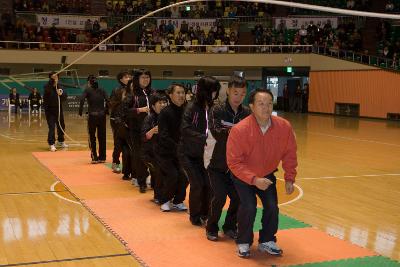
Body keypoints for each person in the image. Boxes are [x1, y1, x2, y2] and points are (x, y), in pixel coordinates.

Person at [226, 88, 297, 258]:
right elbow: (234, 162)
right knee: (249, 207)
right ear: (251, 106)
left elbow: (290, 153)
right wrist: (253, 179)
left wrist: (289, 178)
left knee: (272, 207)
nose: (266, 108)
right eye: (261, 104)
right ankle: (243, 242)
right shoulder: (240, 130)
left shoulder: (283, 127)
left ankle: (266, 240)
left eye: (269, 104)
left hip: (267, 174)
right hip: (243, 176)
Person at [205, 75, 251, 241]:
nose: (238, 97)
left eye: (242, 94)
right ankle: (211, 227)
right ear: (228, 92)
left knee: (238, 198)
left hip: (237, 166)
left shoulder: (247, 112)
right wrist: (237, 131)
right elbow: (216, 131)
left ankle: (230, 226)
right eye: (235, 93)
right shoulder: (216, 109)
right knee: (219, 197)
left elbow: (251, 135)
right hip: (217, 163)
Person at [179, 76, 220, 226]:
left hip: (206, 155)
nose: (215, 94)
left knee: (209, 185)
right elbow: (185, 129)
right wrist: (205, 138)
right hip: (188, 154)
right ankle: (194, 215)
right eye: (213, 91)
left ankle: (205, 213)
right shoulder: (191, 108)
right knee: (197, 184)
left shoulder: (214, 108)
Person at [157, 84, 188, 212]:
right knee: (173, 175)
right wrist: (177, 147)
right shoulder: (165, 112)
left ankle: (178, 200)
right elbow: (163, 135)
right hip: (165, 152)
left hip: (181, 152)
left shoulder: (187, 111)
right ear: (170, 95)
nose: (181, 95)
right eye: (178, 93)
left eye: (183, 93)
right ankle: (165, 200)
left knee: (185, 176)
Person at [122, 69, 153, 193]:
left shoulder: (153, 93)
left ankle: (155, 181)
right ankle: (141, 182)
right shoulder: (132, 95)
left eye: (147, 77)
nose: (145, 80)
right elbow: (124, 111)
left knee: (154, 155)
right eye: (143, 77)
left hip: (152, 130)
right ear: (137, 79)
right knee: (139, 156)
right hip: (136, 131)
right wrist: (139, 110)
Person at [141, 92, 168, 204]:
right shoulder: (149, 119)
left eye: (164, 102)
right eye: (159, 103)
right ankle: (158, 195)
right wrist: (151, 131)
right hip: (149, 154)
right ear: (153, 106)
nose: (162, 105)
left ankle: (167, 194)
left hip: (164, 152)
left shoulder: (169, 117)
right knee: (159, 171)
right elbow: (143, 137)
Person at [79, 75, 109, 164]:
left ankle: (94, 157)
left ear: (89, 82)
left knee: (92, 137)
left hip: (92, 116)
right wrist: (106, 111)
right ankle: (102, 157)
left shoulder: (87, 90)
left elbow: (82, 100)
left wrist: (80, 111)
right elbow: (108, 100)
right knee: (102, 137)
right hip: (102, 116)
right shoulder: (102, 89)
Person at [109, 71, 130, 174]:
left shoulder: (132, 89)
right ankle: (115, 162)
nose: (128, 78)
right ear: (121, 79)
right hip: (116, 120)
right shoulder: (116, 90)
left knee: (129, 145)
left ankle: (127, 167)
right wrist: (121, 100)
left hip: (128, 120)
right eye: (126, 77)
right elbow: (111, 104)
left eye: (129, 76)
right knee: (118, 143)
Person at [43, 72, 68, 152]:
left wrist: (61, 94)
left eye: (56, 76)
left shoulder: (60, 86)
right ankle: (52, 144)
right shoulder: (47, 86)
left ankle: (60, 141)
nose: (55, 77)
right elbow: (48, 92)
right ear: (50, 78)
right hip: (50, 110)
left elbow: (65, 97)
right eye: (54, 76)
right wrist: (53, 83)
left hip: (59, 109)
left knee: (61, 126)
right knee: (52, 127)